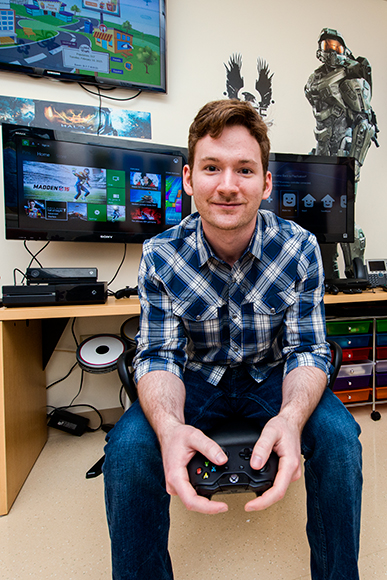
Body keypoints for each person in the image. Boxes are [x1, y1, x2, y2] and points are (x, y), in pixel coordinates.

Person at [103, 99, 362, 580]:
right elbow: (160, 355)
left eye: (244, 169)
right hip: (197, 383)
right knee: (127, 449)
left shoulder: (300, 248)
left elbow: (307, 349)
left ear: (265, 184)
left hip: (272, 379)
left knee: (341, 439)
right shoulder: (160, 255)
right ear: (187, 178)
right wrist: (169, 427)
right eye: (211, 168)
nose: (227, 185)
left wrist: (289, 417)